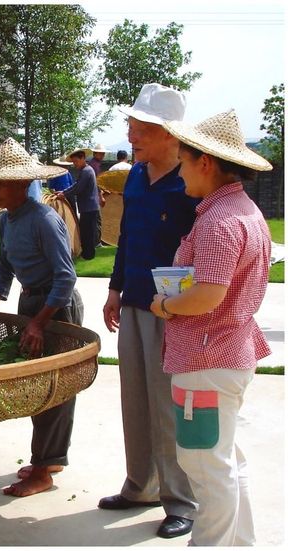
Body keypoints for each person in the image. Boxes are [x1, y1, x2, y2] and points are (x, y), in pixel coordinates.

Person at [151, 110, 272, 546]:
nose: (179, 171)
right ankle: (240, 544)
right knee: (224, 460)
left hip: (206, 357)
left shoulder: (221, 222)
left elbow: (208, 295)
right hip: (227, 354)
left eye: (182, 161)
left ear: (204, 162)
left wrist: (164, 304)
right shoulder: (244, 212)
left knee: (205, 465)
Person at [98, 83, 199, 539]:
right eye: (132, 126)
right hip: (135, 302)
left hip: (172, 311)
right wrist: (115, 288)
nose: (132, 135)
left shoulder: (192, 181)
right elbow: (127, 241)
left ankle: (181, 500)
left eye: (141, 128)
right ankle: (140, 486)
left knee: (168, 405)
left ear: (170, 134)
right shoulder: (136, 176)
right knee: (134, 400)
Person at [0, 137, 84, 498]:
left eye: (1, 184)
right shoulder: (8, 221)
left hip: (57, 308)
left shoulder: (44, 219)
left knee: (55, 387)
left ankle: (43, 470)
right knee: (37, 386)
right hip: (31, 305)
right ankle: (50, 458)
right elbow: (4, 269)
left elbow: (66, 276)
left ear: (20, 184)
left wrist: (39, 321)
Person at [56, 149, 99, 260]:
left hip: (89, 207)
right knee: (87, 230)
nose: (74, 164)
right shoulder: (86, 170)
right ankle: (88, 253)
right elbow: (76, 186)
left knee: (87, 231)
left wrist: (63, 193)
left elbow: (78, 188)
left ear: (82, 159)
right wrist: (64, 192)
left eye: (76, 161)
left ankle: (88, 255)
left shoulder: (86, 171)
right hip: (89, 206)